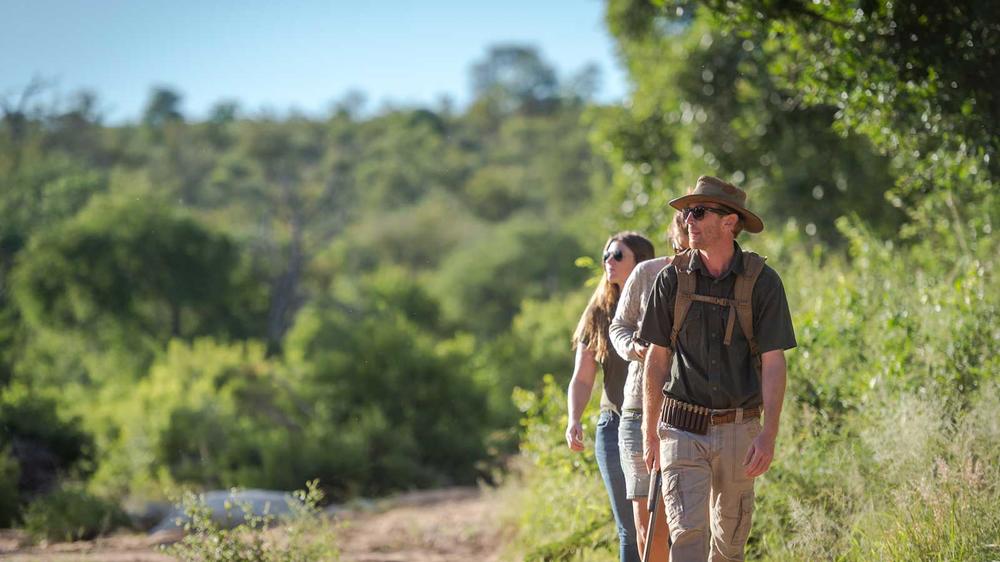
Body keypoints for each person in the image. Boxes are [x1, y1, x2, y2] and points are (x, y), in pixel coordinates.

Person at [640, 176, 796, 561]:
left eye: (698, 212)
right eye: (686, 213)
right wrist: (649, 430)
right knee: (686, 535)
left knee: (730, 545)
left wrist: (769, 434)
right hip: (680, 427)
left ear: (729, 222)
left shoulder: (763, 283)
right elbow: (656, 359)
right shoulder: (671, 279)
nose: (687, 221)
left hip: (739, 428)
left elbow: (774, 363)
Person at [566, 232, 655, 562]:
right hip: (614, 427)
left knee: (666, 525)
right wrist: (574, 419)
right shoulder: (599, 312)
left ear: (640, 262)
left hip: (661, 424)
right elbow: (582, 376)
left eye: (618, 255)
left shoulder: (659, 303)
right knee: (630, 528)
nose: (608, 261)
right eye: (606, 255)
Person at [610, 211, 689, 561]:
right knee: (648, 526)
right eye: (682, 246)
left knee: (687, 525)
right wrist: (634, 348)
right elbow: (619, 326)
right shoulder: (647, 272)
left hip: (692, 411)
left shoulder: (719, 278)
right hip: (639, 407)